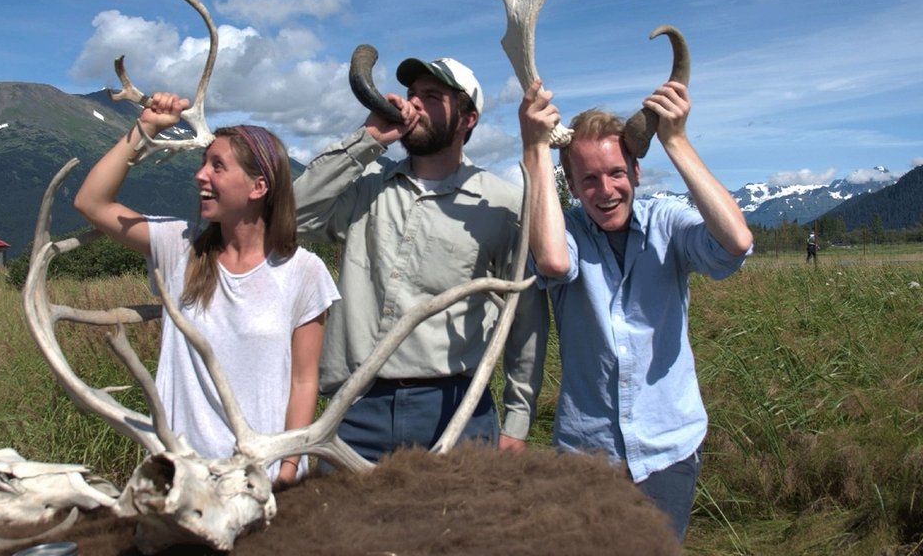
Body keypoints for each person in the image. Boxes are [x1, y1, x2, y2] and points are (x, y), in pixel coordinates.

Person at [519, 78, 753, 542]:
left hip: (667, 450)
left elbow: (736, 244)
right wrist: (536, 153)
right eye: (588, 179)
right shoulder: (563, 232)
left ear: (637, 173)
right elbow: (551, 261)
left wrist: (676, 141)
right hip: (587, 455)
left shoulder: (667, 222)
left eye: (616, 173)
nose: (605, 190)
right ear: (571, 186)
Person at [294, 56, 549, 463]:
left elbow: (525, 317)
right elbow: (293, 216)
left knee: (458, 528)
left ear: (467, 119)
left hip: (455, 411)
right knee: (342, 527)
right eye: (412, 94)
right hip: (357, 408)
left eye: (432, 96)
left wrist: (517, 419)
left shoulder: (502, 204)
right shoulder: (366, 190)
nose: (412, 104)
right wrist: (369, 138)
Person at [74, 92, 338, 483]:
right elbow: (91, 202)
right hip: (181, 476)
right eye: (202, 164)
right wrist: (145, 128)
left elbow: (303, 381)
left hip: (260, 480)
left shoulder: (303, 271)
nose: (200, 175)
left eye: (217, 166)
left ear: (258, 187)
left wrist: (286, 469)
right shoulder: (178, 247)